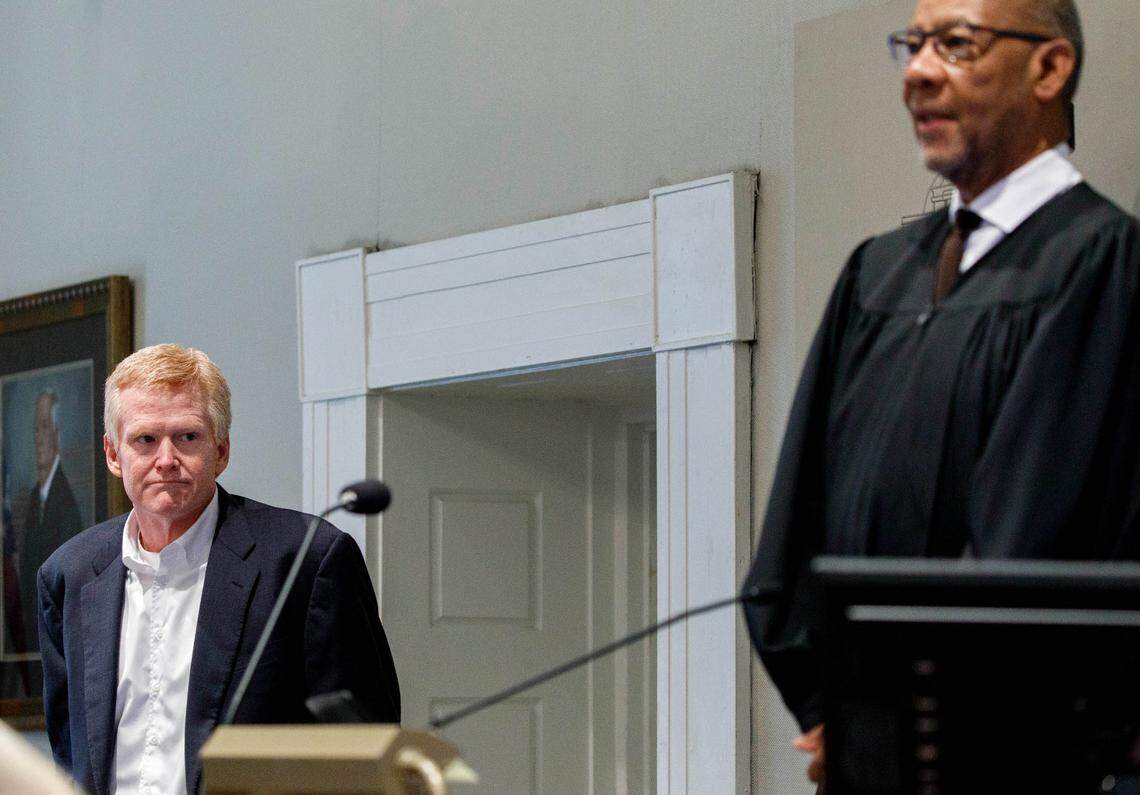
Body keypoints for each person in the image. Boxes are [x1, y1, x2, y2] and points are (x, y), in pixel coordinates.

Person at [742, 0, 1138, 785]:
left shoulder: (1099, 261)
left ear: (1049, 69)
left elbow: (1033, 527)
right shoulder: (878, 271)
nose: (919, 73)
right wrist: (831, 709)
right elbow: (798, 512)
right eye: (913, 45)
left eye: (957, 44)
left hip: (1010, 760)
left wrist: (917, 713)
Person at [38, 344, 401, 794]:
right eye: (145, 440)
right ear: (114, 455)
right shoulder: (69, 574)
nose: (165, 459)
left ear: (222, 449)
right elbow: (70, 751)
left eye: (187, 437)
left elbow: (364, 742)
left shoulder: (306, 559)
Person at [12, 391, 84, 656]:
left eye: (44, 428)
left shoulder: (65, 502)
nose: (37, 437)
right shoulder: (35, 498)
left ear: (57, 434)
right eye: (35, 429)